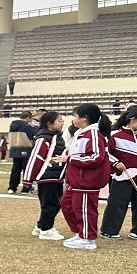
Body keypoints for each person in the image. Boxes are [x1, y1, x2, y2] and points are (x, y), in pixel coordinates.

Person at [59, 104, 113, 250]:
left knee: (84, 209)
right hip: (76, 181)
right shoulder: (82, 133)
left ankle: (88, 238)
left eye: (75, 115)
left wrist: (69, 159)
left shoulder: (93, 134)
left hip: (87, 181)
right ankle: (80, 232)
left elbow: (96, 157)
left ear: (84, 118)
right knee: (67, 204)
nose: (73, 119)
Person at [100, 105, 137, 240]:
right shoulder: (115, 135)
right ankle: (109, 231)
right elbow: (105, 152)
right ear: (133, 119)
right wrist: (116, 163)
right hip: (123, 176)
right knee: (117, 204)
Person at [23, 111, 67, 240]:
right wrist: (28, 180)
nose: (62, 122)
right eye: (59, 120)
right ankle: (46, 230)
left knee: (54, 203)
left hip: (56, 177)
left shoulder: (57, 137)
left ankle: (40, 226)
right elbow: (35, 158)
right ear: (49, 124)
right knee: (50, 204)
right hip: (47, 177)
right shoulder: (43, 138)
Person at [6, 111, 39, 193]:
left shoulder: (12, 125)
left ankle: (12, 187)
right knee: (26, 170)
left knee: (15, 170)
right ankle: (26, 188)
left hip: (14, 149)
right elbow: (34, 135)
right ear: (28, 118)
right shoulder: (26, 126)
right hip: (25, 149)